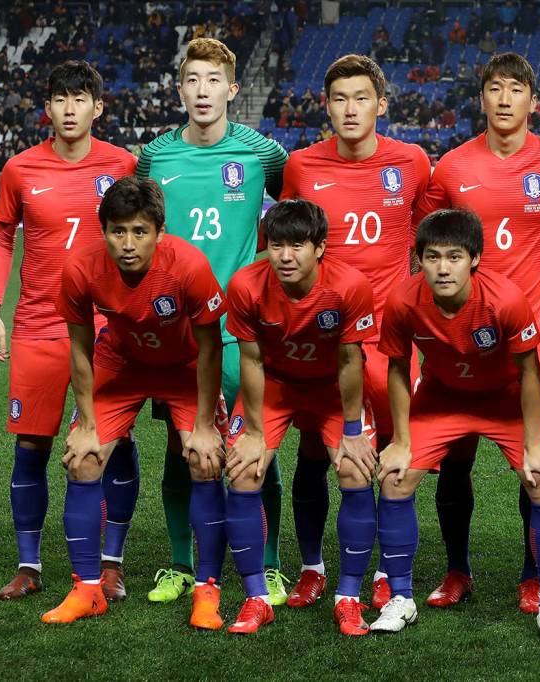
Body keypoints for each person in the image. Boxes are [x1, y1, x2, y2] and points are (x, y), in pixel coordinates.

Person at [413, 51, 540, 613]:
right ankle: (456, 569)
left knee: (536, 462)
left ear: (534, 101)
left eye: (516, 89)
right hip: (458, 339)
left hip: (533, 343)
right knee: (453, 456)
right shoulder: (453, 167)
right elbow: (425, 242)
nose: (505, 99)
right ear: (482, 98)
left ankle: (535, 575)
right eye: (494, 88)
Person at [136, 37, 290, 605]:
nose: (202, 91)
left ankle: (269, 566)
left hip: (241, 333)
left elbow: (291, 213)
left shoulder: (262, 154)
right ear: (180, 90)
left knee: (257, 446)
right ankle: (182, 564)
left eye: (212, 80)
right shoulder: (154, 156)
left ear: (232, 89)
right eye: (192, 80)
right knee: (182, 449)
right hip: (175, 334)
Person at [372, 209, 540, 643]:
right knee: (394, 477)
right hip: (443, 396)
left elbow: (530, 371)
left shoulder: (505, 299)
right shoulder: (404, 300)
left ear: (475, 258)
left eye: (454, 256)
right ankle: (400, 598)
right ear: (418, 259)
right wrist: (401, 440)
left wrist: (536, 444)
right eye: (431, 257)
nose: (443, 268)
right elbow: (397, 368)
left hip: (504, 398)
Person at [278, 54, 430, 610]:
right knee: (316, 456)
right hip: (323, 342)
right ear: (325, 105)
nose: (350, 109)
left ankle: (389, 573)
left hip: (390, 343)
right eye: (339, 98)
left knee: (392, 455)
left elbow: (429, 228)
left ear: (381, 104)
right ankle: (314, 566)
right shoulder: (300, 167)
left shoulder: (411, 162)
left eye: (361, 97)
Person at [42, 176, 229, 625]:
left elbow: (210, 347)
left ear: (160, 232)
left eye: (139, 232)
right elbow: (81, 349)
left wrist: (204, 424)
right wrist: (86, 422)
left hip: (183, 367)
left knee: (205, 460)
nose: (128, 243)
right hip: (121, 363)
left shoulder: (189, 265)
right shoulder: (82, 268)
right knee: (83, 458)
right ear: (102, 230)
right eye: (117, 231)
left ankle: (207, 591)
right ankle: (87, 589)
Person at [0, 60, 138, 603]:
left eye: (81, 99)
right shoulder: (20, 169)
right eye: (60, 99)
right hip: (38, 325)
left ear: (98, 108)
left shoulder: (124, 165)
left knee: (113, 446)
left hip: (106, 328)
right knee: (31, 446)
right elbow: (4, 236)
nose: (69, 109)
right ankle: (30, 565)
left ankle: (111, 562)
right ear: (47, 108)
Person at [226, 199, 379, 635]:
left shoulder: (349, 286)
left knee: (354, 472)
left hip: (331, 389)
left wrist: (352, 431)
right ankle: (257, 598)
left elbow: (352, 362)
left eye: (297, 245)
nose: (286, 256)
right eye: (276, 245)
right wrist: (255, 433)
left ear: (320, 248)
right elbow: (251, 362)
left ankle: (348, 597)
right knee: (243, 472)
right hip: (275, 387)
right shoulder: (246, 286)